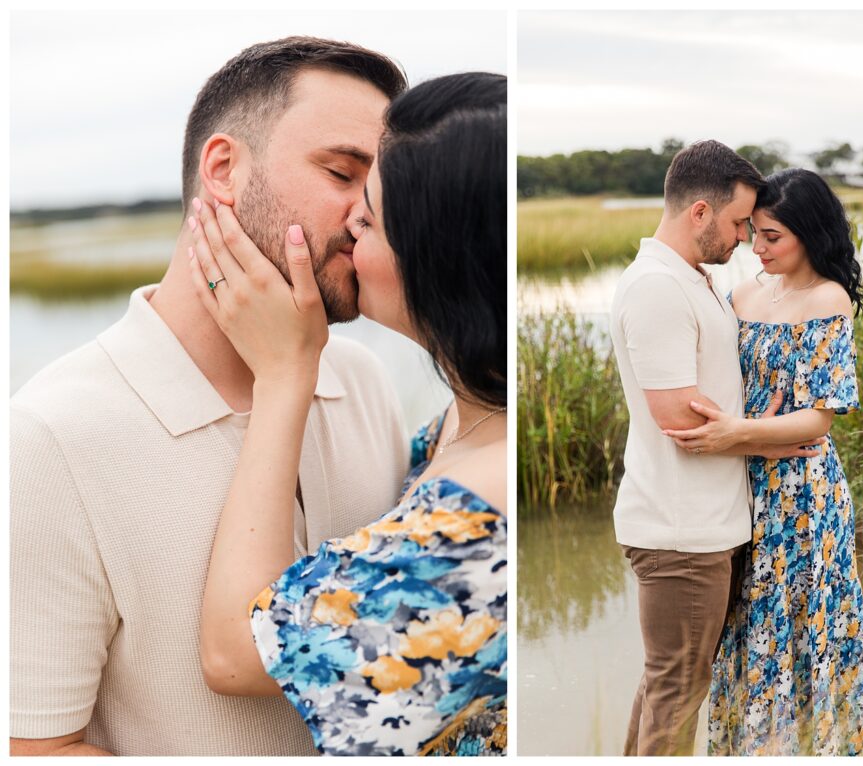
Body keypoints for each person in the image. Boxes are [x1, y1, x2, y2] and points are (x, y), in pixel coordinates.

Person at [10, 37, 411, 756]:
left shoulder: (363, 380)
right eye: (344, 173)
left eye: (383, 187)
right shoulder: (49, 436)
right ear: (223, 169)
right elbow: (38, 747)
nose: (366, 212)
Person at [189, 72, 507, 756]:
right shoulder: (463, 420)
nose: (347, 228)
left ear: (443, 254)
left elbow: (239, 653)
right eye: (342, 180)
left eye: (370, 218)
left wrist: (284, 375)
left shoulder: (488, 502)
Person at [608, 141, 830, 757]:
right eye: (738, 223)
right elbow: (684, 421)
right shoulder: (658, 288)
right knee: (676, 695)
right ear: (700, 212)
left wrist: (752, 430)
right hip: (680, 535)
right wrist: (772, 438)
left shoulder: (693, 280)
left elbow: (716, 412)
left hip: (705, 526)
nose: (743, 239)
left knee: (666, 690)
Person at [664, 168, 863, 756]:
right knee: (748, 627)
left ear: (810, 234)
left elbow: (819, 419)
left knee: (807, 627)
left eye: (772, 237)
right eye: (754, 233)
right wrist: (742, 437)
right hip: (743, 483)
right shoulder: (742, 294)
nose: (756, 249)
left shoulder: (828, 300)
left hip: (804, 495)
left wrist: (741, 431)